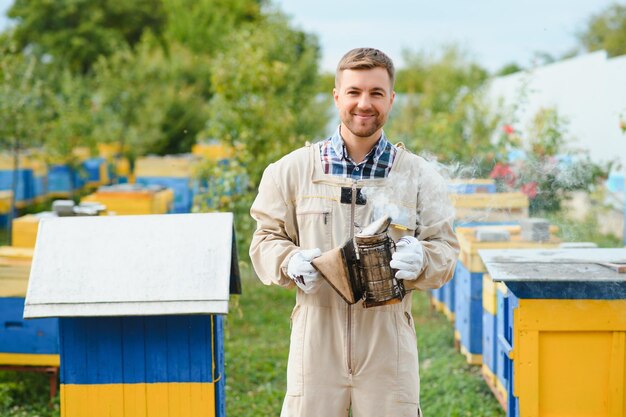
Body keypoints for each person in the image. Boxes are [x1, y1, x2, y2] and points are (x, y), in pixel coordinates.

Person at [249, 47, 459, 417]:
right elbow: (265, 239)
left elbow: (445, 249)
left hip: (387, 345)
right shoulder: (289, 171)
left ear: (391, 99)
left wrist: (424, 257)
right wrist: (289, 259)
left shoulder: (420, 176)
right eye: (354, 92)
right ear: (337, 96)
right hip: (316, 340)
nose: (365, 103)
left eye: (376, 93)